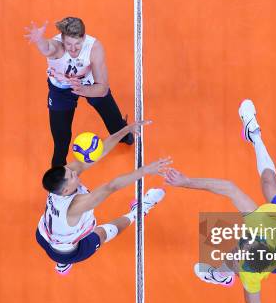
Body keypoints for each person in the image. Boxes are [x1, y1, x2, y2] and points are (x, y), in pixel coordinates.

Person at [164, 100, 276, 303]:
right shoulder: (262, 222)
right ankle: (254, 135)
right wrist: (186, 182)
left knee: (232, 260)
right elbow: (229, 188)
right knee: (269, 181)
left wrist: (245, 280)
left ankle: (222, 275)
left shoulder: (251, 270)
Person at [36, 120, 169, 275]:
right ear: (66, 191)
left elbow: (97, 155)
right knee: (106, 232)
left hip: (43, 235)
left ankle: (62, 261)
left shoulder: (60, 183)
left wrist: (123, 131)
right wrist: (145, 170)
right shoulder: (76, 206)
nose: (74, 173)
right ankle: (140, 210)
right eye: (72, 176)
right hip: (68, 252)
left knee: (63, 239)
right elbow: (111, 187)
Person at [25, 16, 133, 167]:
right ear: (62, 39)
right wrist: (40, 40)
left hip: (86, 83)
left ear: (84, 37)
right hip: (60, 88)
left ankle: (123, 135)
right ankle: (58, 177)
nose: (73, 49)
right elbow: (47, 48)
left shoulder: (94, 48)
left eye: (77, 44)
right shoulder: (57, 47)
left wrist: (81, 89)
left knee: (116, 125)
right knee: (61, 141)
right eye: (69, 44)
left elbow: (102, 89)